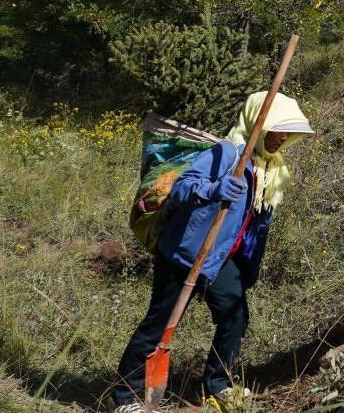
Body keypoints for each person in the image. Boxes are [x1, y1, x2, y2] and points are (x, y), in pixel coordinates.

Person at [111, 92, 314, 413]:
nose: (283, 138)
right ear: (260, 126)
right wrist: (213, 190)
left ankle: (217, 386)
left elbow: (256, 227)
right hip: (184, 252)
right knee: (159, 323)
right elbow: (182, 187)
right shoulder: (227, 153)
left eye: (288, 132)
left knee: (235, 317)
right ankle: (125, 396)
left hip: (220, 259)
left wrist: (250, 267)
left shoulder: (271, 170)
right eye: (278, 129)